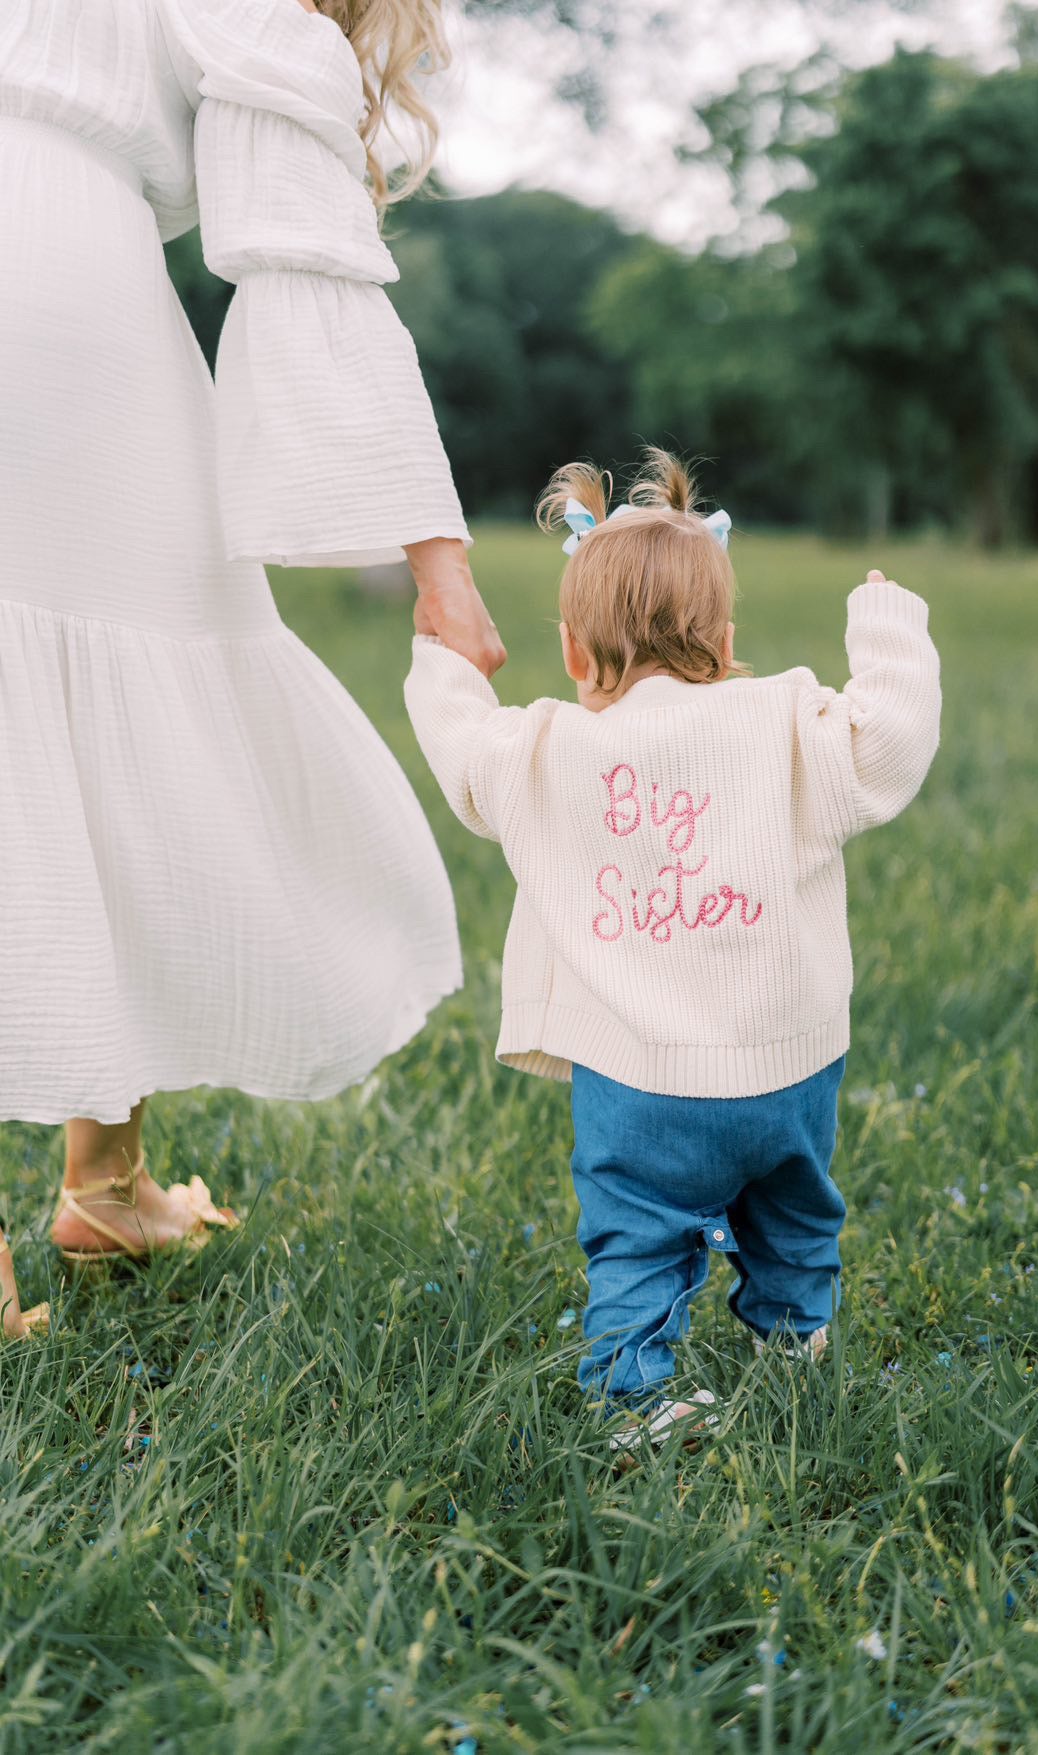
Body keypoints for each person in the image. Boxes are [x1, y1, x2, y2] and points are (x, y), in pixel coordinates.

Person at [0, 0, 504, 1337]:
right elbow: (301, 255)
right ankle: (101, 1176)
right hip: (56, 298)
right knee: (130, 724)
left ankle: (107, 1184)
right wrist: (436, 557)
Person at [405, 448, 941, 1446]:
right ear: (728, 637)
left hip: (638, 1087)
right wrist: (887, 627)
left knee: (637, 1240)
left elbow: (463, 754)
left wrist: (444, 665)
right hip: (788, 1072)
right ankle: (793, 1338)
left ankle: (633, 1393)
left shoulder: (547, 748)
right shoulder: (788, 720)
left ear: (571, 649)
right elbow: (893, 741)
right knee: (795, 1212)